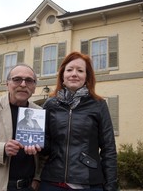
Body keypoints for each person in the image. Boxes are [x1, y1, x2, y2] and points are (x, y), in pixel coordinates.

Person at [39, 52, 118, 191]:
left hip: (89, 183)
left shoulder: (98, 104)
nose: (74, 74)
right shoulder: (50, 104)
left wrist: (111, 186)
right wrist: (34, 143)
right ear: (62, 74)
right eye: (69, 70)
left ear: (87, 76)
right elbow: (45, 145)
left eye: (80, 70)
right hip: (52, 182)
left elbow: (109, 149)